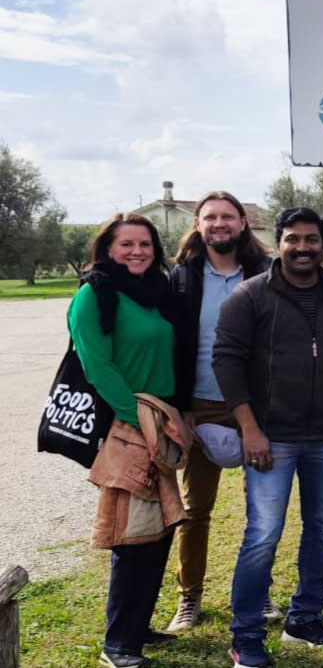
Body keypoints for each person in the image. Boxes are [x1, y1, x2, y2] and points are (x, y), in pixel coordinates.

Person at [213, 208, 323, 667]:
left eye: (311, 239)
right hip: (270, 439)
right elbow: (226, 362)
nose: (302, 248)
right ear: (279, 243)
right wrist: (250, 428)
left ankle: (305, 619)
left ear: (322, 245)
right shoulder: (249, 296)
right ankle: (247, 635)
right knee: (263, 534)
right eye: (293, 239)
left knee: (322, 530)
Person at [70, 214, 179, 668]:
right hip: (129, 428)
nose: (137, 252)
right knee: (131, 536)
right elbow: (97, 366)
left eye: (146, 244)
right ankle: (118, 645)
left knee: (158, 531)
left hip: (162, 422)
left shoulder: (155, 293)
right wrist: (138, 421)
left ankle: (137, 628)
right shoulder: (94, 295)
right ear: (108, 249)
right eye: (127, 244)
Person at [166, 191, 272, 634]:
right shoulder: (181, 279)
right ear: (198, 223)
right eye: (211, 217)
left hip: (257, 408)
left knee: (263, 511)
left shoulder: (267, 274)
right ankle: (189, 597)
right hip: (200, 408)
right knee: (195, 509)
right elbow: (170, 346)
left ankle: (258, 593)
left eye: (229, 216)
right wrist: (181, 408)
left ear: (243, 223)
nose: (220, 223)